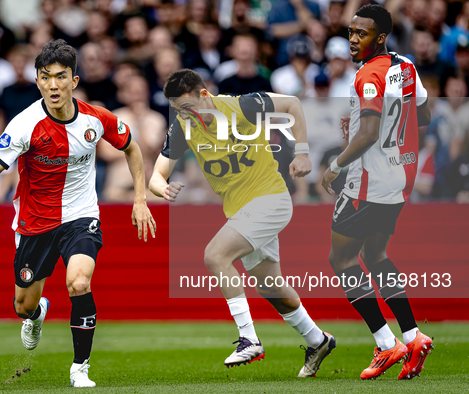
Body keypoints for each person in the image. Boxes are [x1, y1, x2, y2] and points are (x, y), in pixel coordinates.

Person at [0, 39, 156, 388]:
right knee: (22, 305)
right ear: (38, 81)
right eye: (45, 77)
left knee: (79, 282)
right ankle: (36, 314)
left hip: (81, 215)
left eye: (60, 77)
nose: (53, 85)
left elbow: (132, 148)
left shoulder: (96, 118)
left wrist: (140, 199)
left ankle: (79, 368)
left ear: (74, 81)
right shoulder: (25, 125)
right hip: (34, 223)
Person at [149, 68, 336, 377]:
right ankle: (318, 340)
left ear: (205, 96)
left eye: (189, 108)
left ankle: (249, 339)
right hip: (241, 211)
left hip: (271, 198)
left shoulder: (243, 105)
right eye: (179, 111)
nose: (187, 116)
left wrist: (302, 153)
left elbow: (292, 104)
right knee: (272, 287)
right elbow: (157, 174)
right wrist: (161, 188)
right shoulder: (182, 127)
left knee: (215, 255)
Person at [321, 4, 433, 381]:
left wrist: (336, 164)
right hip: (401, 178)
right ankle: (414, 336)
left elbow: (368, 135)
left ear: (380, 37)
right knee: (375, 253)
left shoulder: (368, 75)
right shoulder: (406, 66)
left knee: (342, 261)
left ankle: (387, 345)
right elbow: (424, 117)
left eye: (361, 34)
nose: (353, 39)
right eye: (351, 32)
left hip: (366, 183)